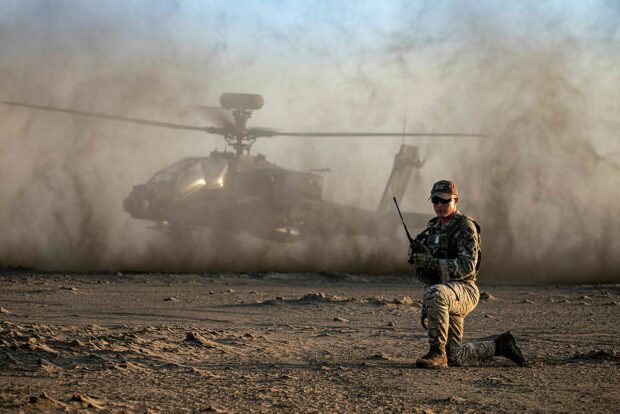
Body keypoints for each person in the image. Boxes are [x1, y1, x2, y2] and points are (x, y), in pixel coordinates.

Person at [408, 180, 526, 368]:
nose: (439, 205)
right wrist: (418, 258)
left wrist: (432, 262)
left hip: (464, 290)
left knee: (435, 294)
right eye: (435, 200)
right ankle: (500, 346)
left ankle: (436, 353)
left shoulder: (465, 227)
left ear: (456, 200)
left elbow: (467, 266)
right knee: (456, 356)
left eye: (445, 201)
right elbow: (430, 274)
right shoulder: (433, 228)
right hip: (444, 293)